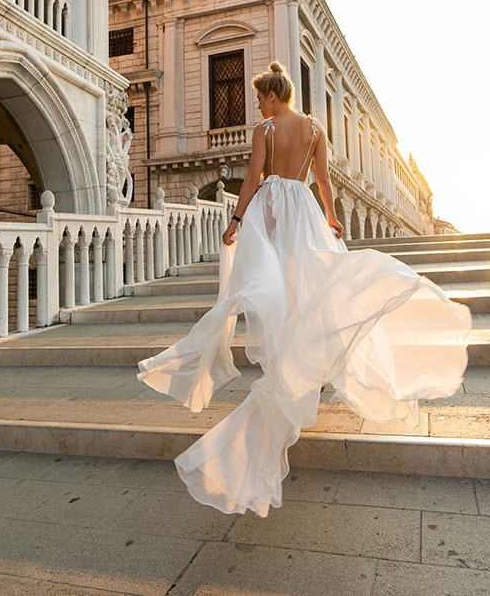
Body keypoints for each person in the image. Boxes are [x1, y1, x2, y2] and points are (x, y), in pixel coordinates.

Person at [137, 61, 472, 518]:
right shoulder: (315, 129)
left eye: (259, 97)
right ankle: (296, 366)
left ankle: (284, 367)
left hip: (273, 210)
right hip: (304, 208)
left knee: (263, 287)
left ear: (273, 96)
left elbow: (253, 178)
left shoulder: (266, 130)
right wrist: (331, 218)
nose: (257, 103)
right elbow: (324, 181)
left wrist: (236, 221)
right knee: (303, 290)